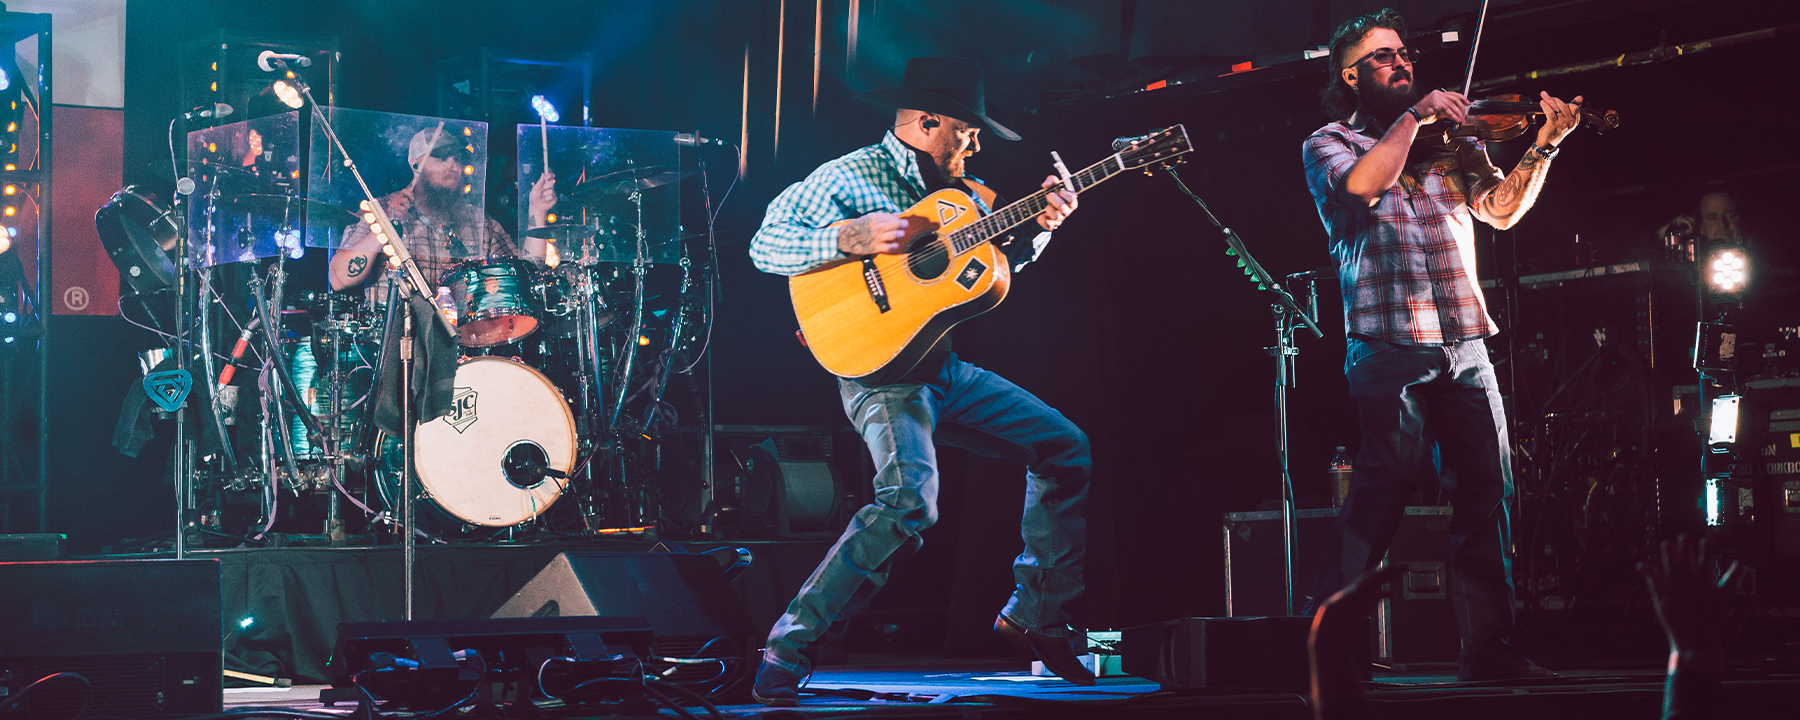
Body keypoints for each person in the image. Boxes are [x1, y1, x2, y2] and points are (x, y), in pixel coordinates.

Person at [746, 56, 1088, 705]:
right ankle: (787, 644)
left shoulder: (969, 198)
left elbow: (985, 269)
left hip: (942, 369)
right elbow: (767, 245)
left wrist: (1038, 232)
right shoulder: (851, 176)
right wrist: (850, 235)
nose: (976, 143)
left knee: (1065, 447)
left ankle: (1037, 613)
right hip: (881, 374)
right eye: (968, 129)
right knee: (909, 501)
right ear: (929, 121)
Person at [1299, 8, 1583, 681]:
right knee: (1384, 484)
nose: (1403, 63)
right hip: (1388, 342)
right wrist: (1416, 119)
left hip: (1465, 339)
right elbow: (1364, 186)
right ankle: (1327, 639)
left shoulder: (1456, 140)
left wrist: (1543, 145)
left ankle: (1489, 648)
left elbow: (1501, 210)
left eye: (1405, 53)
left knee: (1489, 488)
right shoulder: (1329, 141)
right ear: (1351, 74)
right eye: (1384, 56)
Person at [329, 125, 557, 301]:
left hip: (463, 350)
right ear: (415, 165)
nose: (454, 166)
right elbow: (338, 279)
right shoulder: (380, 210)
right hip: (398, 348)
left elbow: (526, 274)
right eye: (441, 157)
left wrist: (537, 210)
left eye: (457, 159)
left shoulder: (478, 223)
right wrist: (384, 226)